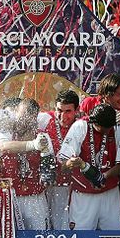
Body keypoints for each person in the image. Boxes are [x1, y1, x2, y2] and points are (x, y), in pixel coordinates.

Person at [58, 104, 120, 230]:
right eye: (104, 128)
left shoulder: (119, 127)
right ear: (94, 122)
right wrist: (72, 162)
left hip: (110, 192)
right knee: (80, 236)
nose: (107, 131)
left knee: (113, 235)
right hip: (84, 194)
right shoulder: (80, 127)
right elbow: (63, 164)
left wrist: (103, 177)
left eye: (110, 127)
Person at [0, 98, 54, 230]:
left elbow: (49, 169)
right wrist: (32, 145)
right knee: (9, 237)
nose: (22, 121)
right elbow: (3, 146)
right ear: (16, 113)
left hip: (35, 198)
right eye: (21, 116)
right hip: (10, 196)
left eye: (28, 118)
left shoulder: (42, 137)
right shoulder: (6, 131)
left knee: (38, 236)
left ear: (34, 119)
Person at [37, 90, 79, 230]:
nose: (63, 116)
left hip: (74, 187)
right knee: (47, 227)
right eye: (59, 110)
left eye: (68, 111)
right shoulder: (45, 120)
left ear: (76, 110)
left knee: (68, 227)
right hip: (48, 185)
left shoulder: (82, 124)